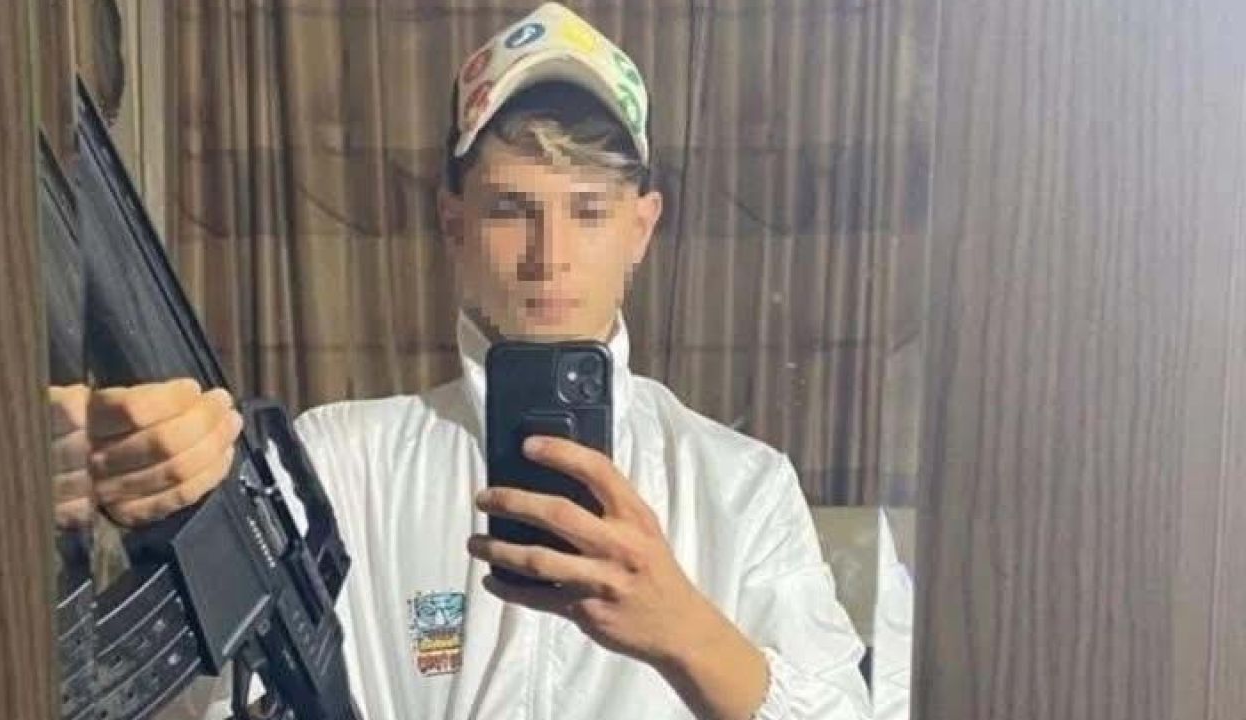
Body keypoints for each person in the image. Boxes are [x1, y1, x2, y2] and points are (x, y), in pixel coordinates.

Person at [85, 4, 872, 719]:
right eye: (510, 209)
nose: (549, 255)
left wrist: (685, 630)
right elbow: (208, 698)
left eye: (589, 211)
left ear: (641, 228)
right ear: (454, 223)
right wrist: (155, 509)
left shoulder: (739, 488)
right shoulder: (337, 464)